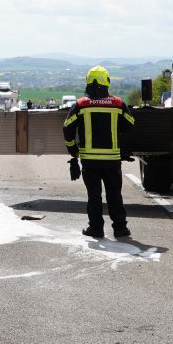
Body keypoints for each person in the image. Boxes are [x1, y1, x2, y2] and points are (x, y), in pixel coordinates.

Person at [63, 66, 133, 239]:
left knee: (94, 196)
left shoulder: (80, 105)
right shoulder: (118, 103)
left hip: (89, 160)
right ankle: (120, 229)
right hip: (112, 160)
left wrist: (73, 150)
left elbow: (67, 128)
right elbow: (130, 124)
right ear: (106, 81)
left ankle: (96, 229)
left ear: (88, 81)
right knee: (114, 194)